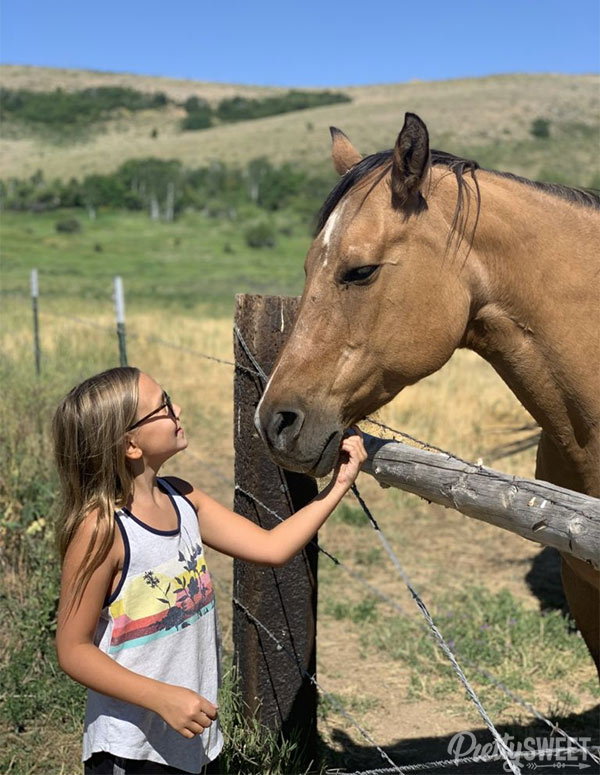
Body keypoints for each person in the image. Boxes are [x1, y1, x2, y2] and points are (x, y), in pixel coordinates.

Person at [53, 366, 367, 775]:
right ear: (131, 444)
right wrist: (161, 697)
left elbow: (271, 548)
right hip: (132, 750)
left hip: (196, 740)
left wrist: (338, 486)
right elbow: (73, 649)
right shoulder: (102, 529)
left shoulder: (183, 498)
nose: (177, 408)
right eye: (162, 407)